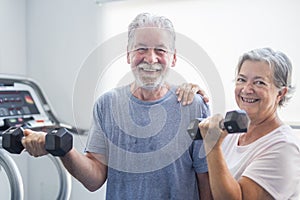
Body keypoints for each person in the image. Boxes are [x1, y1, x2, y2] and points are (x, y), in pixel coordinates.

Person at [22, 13, 213, 199]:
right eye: (141, 49)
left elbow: (205, 181)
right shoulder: (107, 105)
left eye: (160, 50)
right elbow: (94, 179)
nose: (150, 58)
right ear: (129, 55)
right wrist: (64, 150)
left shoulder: (194, 106)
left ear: (173, 58)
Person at [199, 47, 300, 199]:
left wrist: (212, 147)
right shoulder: (233, 132)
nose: (246, 89)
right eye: (241, 80)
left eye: (259, 83)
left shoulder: (285, 148)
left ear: (281, 93)